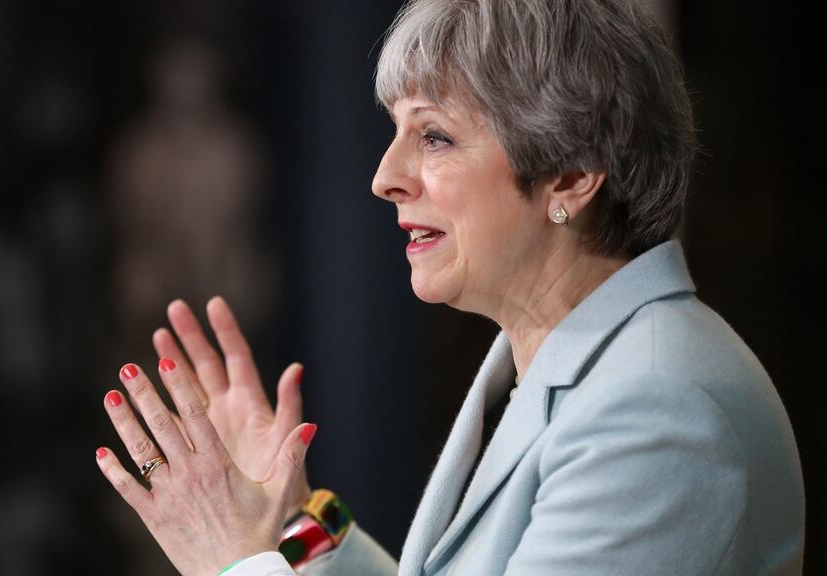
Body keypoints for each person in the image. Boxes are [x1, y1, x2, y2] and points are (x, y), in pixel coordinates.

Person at [94, 0, 806, 574]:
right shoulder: (554, 369)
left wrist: (238, 563)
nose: (385, 177)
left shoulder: (660, 409)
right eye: (397, 131)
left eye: (433, 136)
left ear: (572, 172)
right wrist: (290, 521)